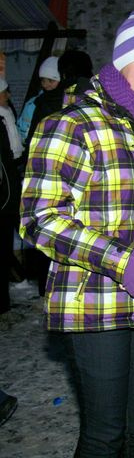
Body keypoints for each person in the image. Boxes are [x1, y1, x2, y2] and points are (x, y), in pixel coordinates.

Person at [20, 11, 134, 457]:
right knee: (105, 435)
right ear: (121, 60)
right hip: (94, 301)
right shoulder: (72, 124)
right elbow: (41, 218)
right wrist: (122, 261)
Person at [21, 49, 94, 298]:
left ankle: (49, 291)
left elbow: (34, 145)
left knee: (51, 234)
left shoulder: (48, 102)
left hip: (54, 181)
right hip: (89, 185)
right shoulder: (101, 100)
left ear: (62, 74)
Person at [0, 77, 24, 312]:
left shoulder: (7, 114)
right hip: (4, 187)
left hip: (9, 181)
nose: (7, 95)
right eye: (4, 92)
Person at [16, 56, 61, 142]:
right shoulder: (33, 104)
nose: (46, 85)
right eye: (43, 80)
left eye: (51, 80)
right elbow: (22, 130)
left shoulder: (68, 101)